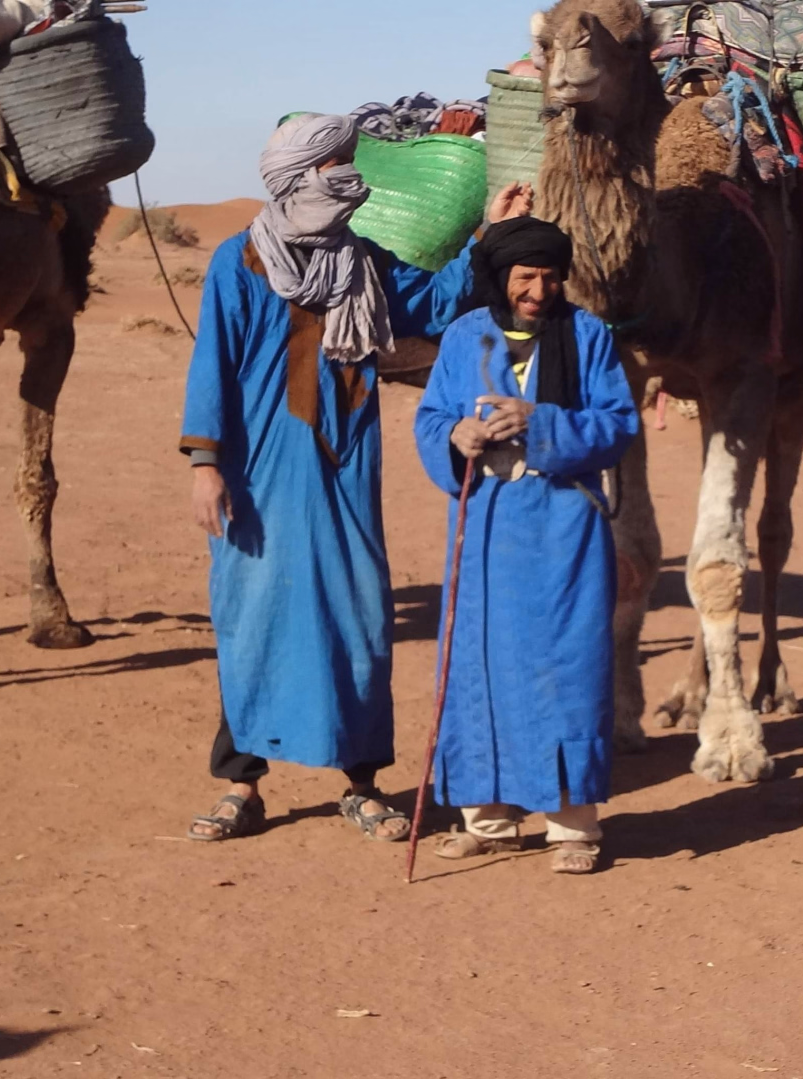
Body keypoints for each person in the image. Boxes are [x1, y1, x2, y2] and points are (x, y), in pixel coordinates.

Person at [179, 113, 528, 844]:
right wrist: (207, 464)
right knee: (254, 616)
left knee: (358, 612)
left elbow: (435, 302)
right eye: (334, 163)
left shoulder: (363, 259)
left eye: (349, 161)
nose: (347, 174)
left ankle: (362, 784)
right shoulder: (238, 261)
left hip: (345, 458)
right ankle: (242, 784)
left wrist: (487, 236)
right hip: (259, 465)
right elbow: (212, 363)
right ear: (296, 176)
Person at [412, 216, 639, 875]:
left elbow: (617, 423)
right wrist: (454, 435)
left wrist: (542, 421)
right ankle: (489, 820)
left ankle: (571, 828)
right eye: (525, 278)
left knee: (566, 669)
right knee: (481, 667)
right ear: (500, 279)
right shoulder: (463, 337)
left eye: (549, 276)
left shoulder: (588, 335)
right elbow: (430, 417)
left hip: (564, 523)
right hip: (485, 521)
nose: (539, 290)